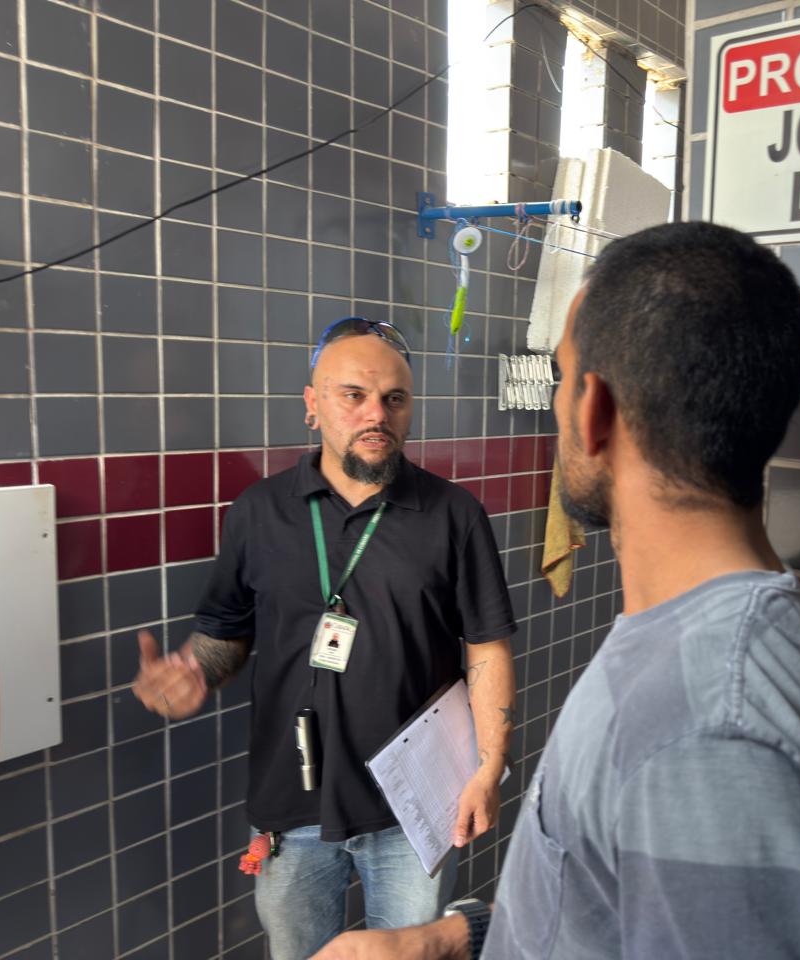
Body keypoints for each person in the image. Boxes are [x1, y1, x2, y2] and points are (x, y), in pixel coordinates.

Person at [313, 222, 800, 960]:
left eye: (560, 375)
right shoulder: (704, 633)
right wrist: (449, 941)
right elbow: (614, 896)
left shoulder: (711, 731)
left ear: (594, 410)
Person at [132, 318, 517, 960]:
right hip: (290, 803)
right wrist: (197, 671)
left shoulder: (454, 516)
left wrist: (488, 766)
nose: (376, 414)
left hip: (413, 804)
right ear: (313, 404)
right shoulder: (259, 511)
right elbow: (226, 633)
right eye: (353, 395)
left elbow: (487, 647)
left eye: (394, 398)